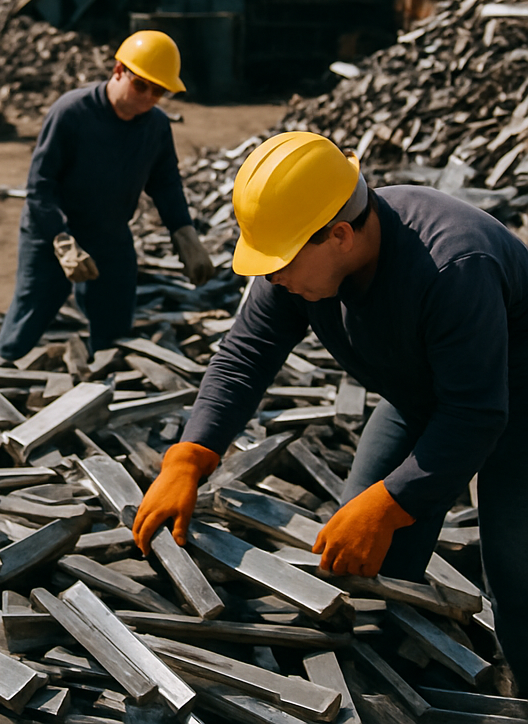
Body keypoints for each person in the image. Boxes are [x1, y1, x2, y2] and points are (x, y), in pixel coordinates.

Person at [133, 130, 528, 691]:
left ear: (339, 236)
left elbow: (478, 414)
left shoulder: (451, 265)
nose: (273, 277)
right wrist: (190, 457)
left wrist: (393, 502)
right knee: (361, 555)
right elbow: (247, 353)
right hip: (421, 394)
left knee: (515, 566)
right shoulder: (299, 257)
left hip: (515, 399)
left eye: (280, 263)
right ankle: (389, 682)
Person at [0, 30, 214, 368]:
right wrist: (61, 242)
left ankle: (103, 385)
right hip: (51, 234)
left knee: (115, 324)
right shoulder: (72, 113)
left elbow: (166, 184)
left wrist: (185, 234)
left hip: (109, 234)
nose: (149, 97)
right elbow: (41, 187)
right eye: (142, 85)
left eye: (159, 91)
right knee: (31, 312)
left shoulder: (156, 127)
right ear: (119, 70)